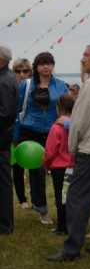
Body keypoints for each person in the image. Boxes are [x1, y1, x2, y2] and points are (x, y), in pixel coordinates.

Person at [45, 43, 90, 262]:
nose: (82, 58)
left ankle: (72, 248)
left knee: (77, 197)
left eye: (86, 55)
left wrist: (73, 147)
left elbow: (78, 121)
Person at [14, 51, 68, 223]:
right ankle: (42, 210)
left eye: (49, 63)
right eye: (42, 63)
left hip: (53, 132)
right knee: (37, 172)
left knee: (58, 171)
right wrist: (16, 135)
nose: (46, 67)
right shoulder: (27, 84)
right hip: (30, 131)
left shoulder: (61, 85)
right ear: (36, 67)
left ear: (53, 65)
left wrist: (66, 122)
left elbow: (68, 107)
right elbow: (18, 111)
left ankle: (62, 209)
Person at [42, 92, 75, 236]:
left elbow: (50, 150)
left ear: (58, 108)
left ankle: (62, 227)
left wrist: (46, 163)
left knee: (60, 198)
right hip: (74, 167)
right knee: (72, 197)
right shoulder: (76, 125)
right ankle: (73, 224)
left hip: (59, 168)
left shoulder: (56, 127)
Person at [0, 44, 19, 236]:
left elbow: (4, 113)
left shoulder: (4, 80)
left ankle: (5, 224)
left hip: (1, 135)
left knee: (3, 181)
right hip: (4, 134)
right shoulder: (8, 76)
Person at [11, 58, 31, 210]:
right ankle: (22, 199)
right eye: (18, 71)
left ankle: (34, 198)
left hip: (28, 129)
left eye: (25, 71)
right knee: (16, 166)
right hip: (10, 129)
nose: (22, 74)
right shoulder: (9, 87)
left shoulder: (32, 88)